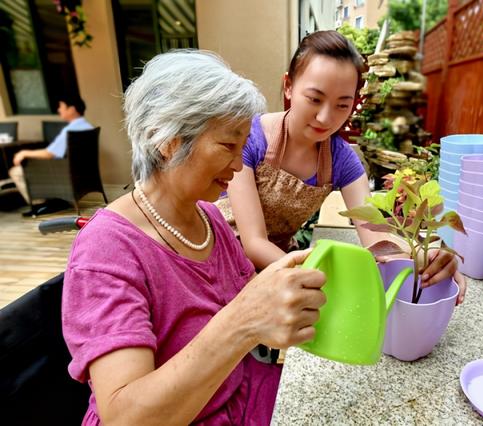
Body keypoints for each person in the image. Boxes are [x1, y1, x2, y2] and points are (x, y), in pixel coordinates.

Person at [61, 50, 326, 424]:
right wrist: (243, 322)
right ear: (166, 139)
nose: (239, 163)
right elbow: (125, 418)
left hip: (239, 396)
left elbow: (260, 315)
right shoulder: (106, 250)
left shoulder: (210, 218)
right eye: (227, 145)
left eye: (243, 146)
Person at [222, 30, 466, 302]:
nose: (326, 118)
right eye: (315, 99)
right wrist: (316, 276)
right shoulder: (250, 139)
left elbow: (375, 237)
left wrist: (424, 256)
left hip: (282, 264)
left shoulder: (341, 160)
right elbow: (253, 243)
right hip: (220, 257)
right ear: (289, 86)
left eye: (342, 105)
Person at [9, 96, 93, 209]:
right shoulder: (87, 127)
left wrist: (24, 153)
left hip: (63, 173)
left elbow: (49, 154)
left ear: (72, 109)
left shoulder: (70, 130)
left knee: (16, 171)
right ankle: (54, 200)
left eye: (61, 107)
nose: (59, 110)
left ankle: (40, 204)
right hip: (80, 171)